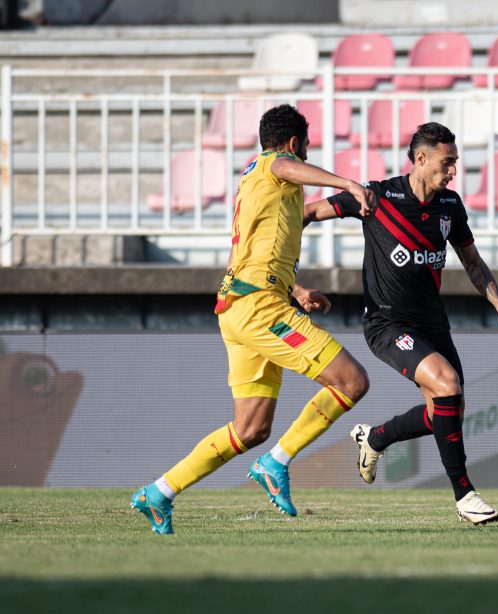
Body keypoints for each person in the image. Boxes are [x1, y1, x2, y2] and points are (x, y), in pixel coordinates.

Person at [131, 104, 376, 534]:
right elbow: (283, 164)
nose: (306, 153)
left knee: (250, 428)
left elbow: (254, 249)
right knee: (351, 381)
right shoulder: (272, 165)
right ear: (295, 143)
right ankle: (276, 463)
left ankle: (159, 492)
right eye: (306, 146)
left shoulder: (263, 186)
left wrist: (296, 290)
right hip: (260, 309)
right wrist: (348, 183)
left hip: (240, 304)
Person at [303, 122, 498, 525]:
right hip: (386, 323)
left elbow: (472, 262)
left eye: (455, 162)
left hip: (432, 321)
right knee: (448, 384)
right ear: (420, 159)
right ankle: (465, 496)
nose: (453, 171)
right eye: (447, 162)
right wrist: (289, 277)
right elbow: (306, 214)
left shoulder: (450, 206)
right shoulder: (377, 197)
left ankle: (375, 437)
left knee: (448, 409)